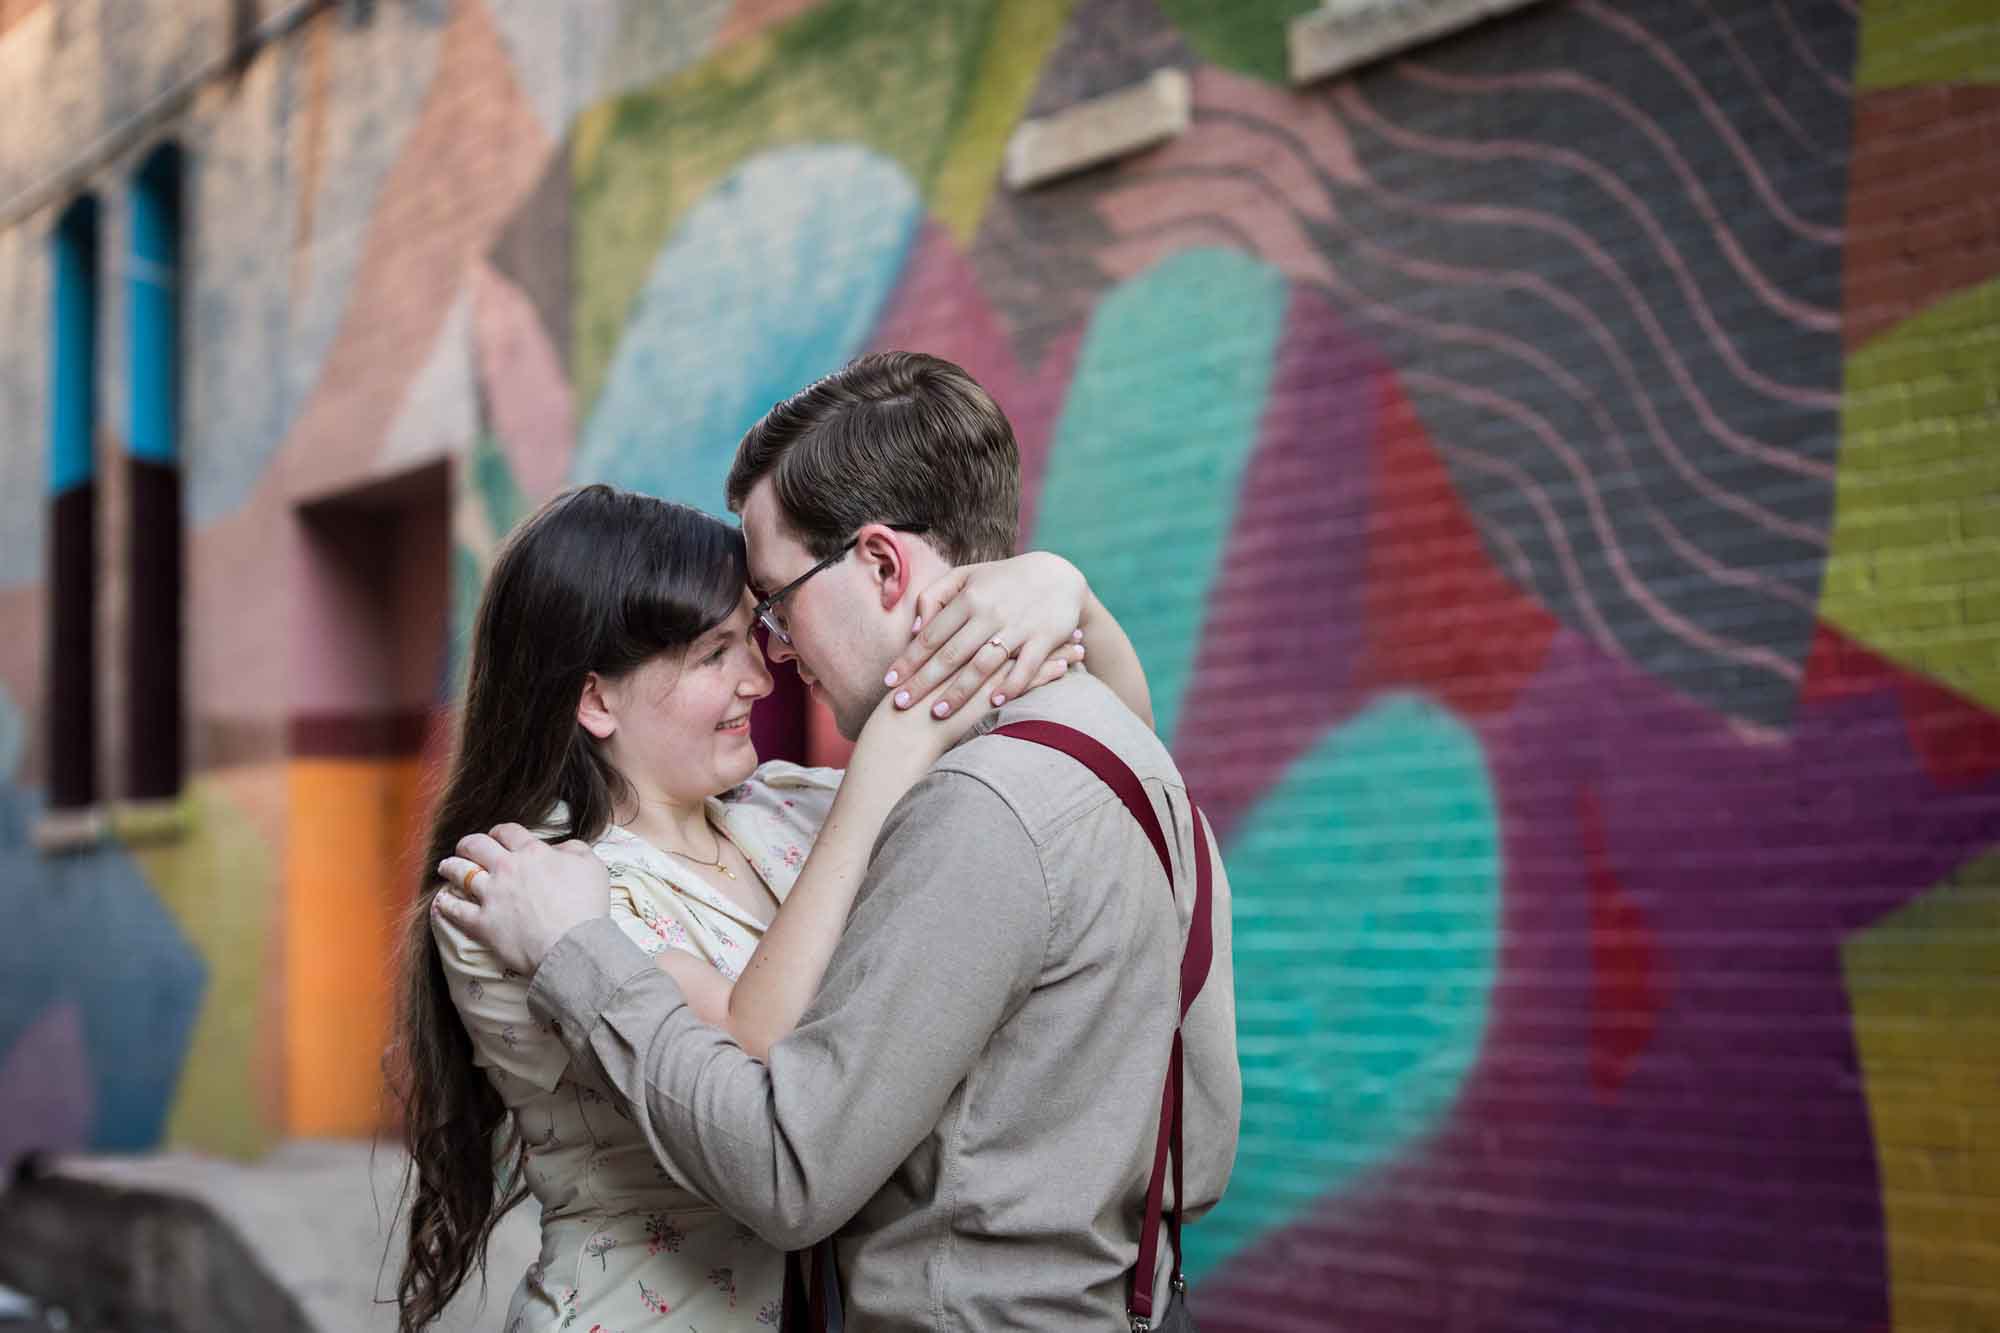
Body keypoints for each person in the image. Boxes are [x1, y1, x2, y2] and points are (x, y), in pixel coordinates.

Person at [436, 352, 1242, 1330]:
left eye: (772, 605)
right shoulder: (1124, 763)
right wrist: (1065, 600)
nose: (772, 661)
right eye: (721, 646)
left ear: (879, 564)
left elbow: (787, 1164)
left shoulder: (959, 808)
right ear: (594, 696)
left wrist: (1058, 595)